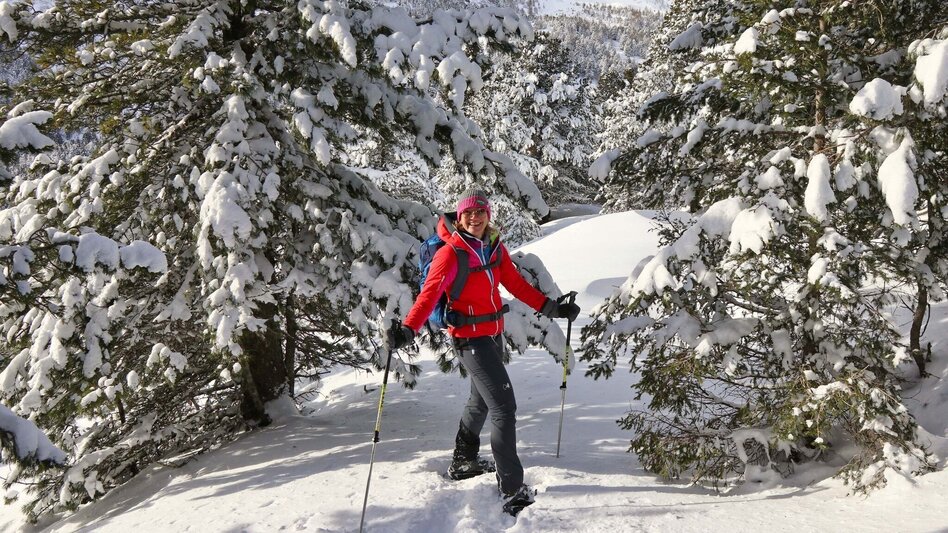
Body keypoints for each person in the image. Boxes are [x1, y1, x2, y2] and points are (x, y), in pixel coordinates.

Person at [388, 187, 580, 516]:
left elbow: (516, 284)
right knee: (504, 407)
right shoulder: (451, 253)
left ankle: (464, 461)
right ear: (459, 217)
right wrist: (408, 329)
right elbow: (429, 295)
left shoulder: (493, 247)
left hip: (492, 334)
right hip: (468, 339)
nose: (474, 218)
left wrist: (553, 308)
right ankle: (512, 489)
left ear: (488, 215)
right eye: (468, 213)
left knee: (480, 400)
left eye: (480, 212)